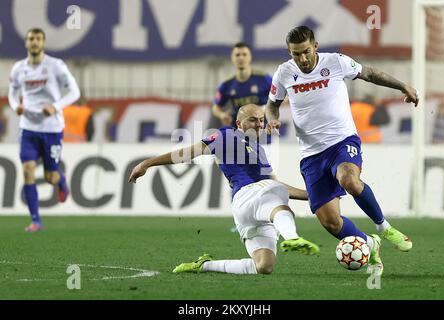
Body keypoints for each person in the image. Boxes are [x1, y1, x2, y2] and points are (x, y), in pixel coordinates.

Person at [265, 26, 419, 275]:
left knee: (348, 179)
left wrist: (403, 86)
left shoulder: (335, 62)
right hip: (311, 154)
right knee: (331, 222)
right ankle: (370, 244)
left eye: (305, 52)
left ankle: (383, 228)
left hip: (341, 141)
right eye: (296, 54)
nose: (302, 59)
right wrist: (271, 118)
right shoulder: (283, 73)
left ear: (315, 46)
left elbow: (368, 73)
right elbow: (271, 106)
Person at [129, 104, 320, 275]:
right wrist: (147, 163)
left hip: (259, 203)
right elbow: (186, 154)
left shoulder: (259, 149)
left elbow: (277, 185)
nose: (259, 125)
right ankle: (293, 238)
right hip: (246, 196)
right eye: (252, 120)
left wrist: (315, 196)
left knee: (263, 266)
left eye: (261, 120)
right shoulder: (225, 135)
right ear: (238, 122)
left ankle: (204, 265)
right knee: (277, 199)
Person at [8, 28, 80, 232]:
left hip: (52, 128)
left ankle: (61, 179)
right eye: (31, 38)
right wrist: (16, 107)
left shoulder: (56, 66)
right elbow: (13, 94)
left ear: (43, 43)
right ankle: (36, 221)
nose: (34, 42)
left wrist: (55, 107)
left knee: (50, 177)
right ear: (26, 43)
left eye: (38, 39)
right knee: (27, 169)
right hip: (28, 129)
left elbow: (75, 92)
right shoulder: (18, 69)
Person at [209, 42, 272, 128]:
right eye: (237, 55)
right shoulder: (227, 84)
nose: (241, 58)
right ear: (232, 58)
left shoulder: (264, 79)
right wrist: (222, 115)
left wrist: (268, 107)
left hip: (261, 131)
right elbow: (215, 107)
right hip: (238, 131)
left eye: (244, 54)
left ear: (250, 57)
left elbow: (283, 97)